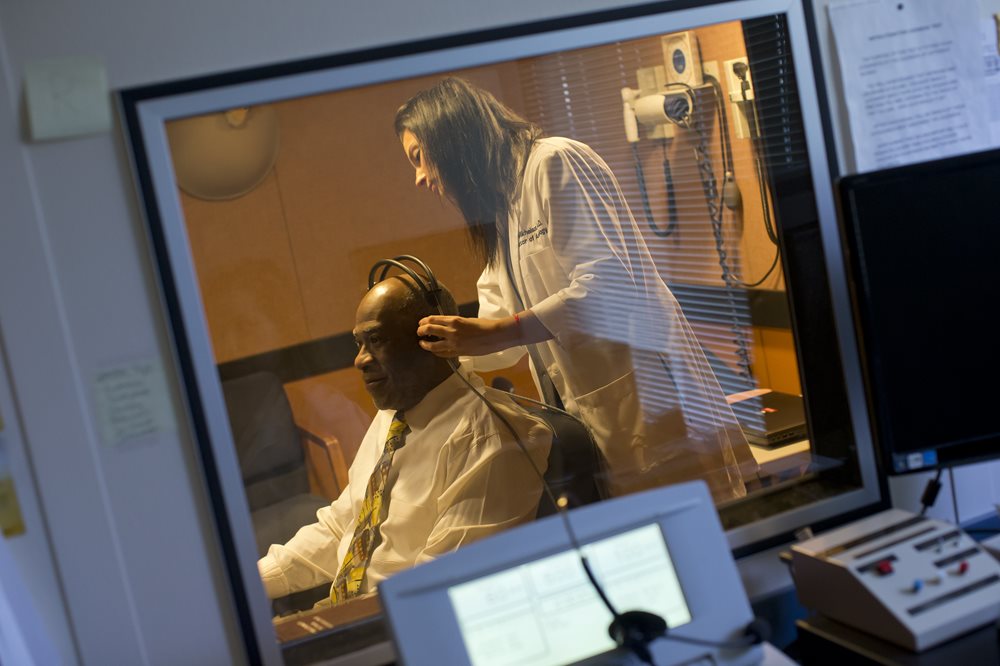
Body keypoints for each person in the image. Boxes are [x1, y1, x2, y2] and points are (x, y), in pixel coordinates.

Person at [395, 77, 757, 501]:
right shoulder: (501, 210)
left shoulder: (555, 162)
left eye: (420, 158)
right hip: (596, 419)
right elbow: (498, 329)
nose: (420, 178)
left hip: (650, 407)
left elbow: (607, 286)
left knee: (703, 532)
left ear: (451, 137)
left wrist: (497, 332)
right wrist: (435, 356)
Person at [257, 275, 550, 603]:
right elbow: (342, 527)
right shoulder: (393, 415)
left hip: (402, 625)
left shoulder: (487, 438)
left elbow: (442, 587)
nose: (360, 360)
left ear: (433, 339)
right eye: (359, 344)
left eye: (377, 340)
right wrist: (250, 586)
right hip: (356, 613)